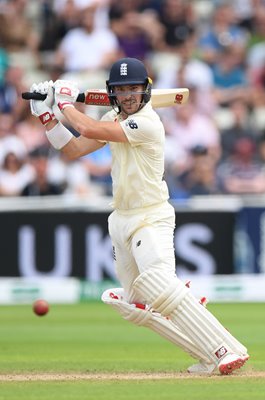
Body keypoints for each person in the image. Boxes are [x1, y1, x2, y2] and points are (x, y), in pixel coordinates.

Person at [28, 57, 249, 375]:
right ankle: (205, 353)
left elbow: (87, 126)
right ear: (111, 93)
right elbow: (74, 149)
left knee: (157, 284)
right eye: (121, 89)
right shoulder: (112, 117)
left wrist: (64, 102)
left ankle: (225, 348)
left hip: (151, 216)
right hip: (121, 219)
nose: (128, 95)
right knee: (132, 304)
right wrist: (48, 117)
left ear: (145, 90)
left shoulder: (147, 122)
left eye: (134, 88)